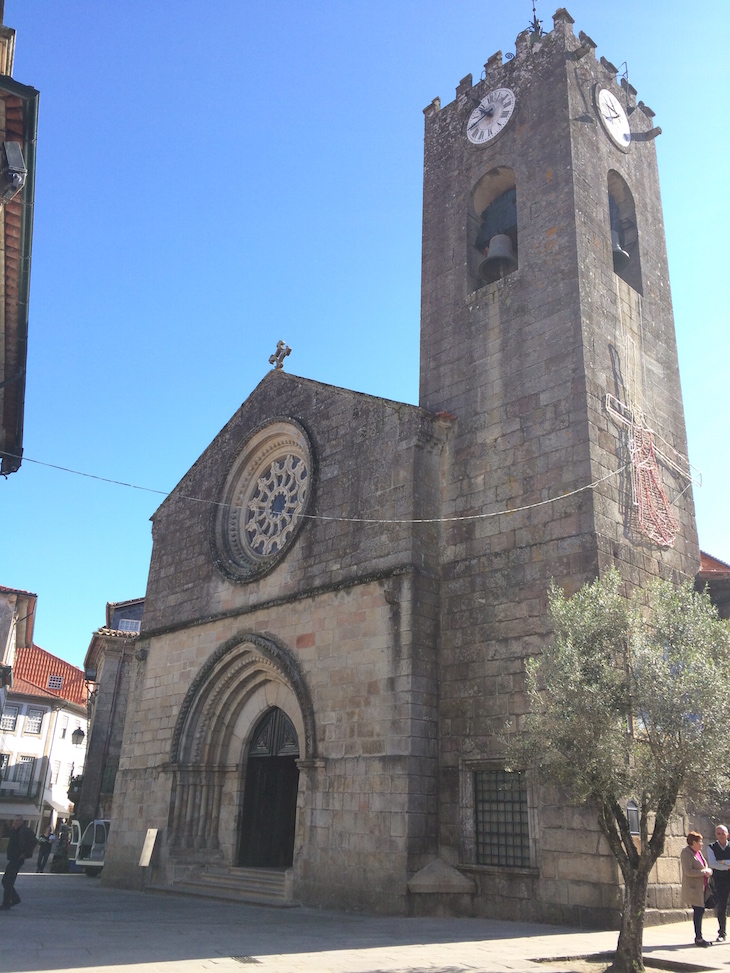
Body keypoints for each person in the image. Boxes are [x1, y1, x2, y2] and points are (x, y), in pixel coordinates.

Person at [681, 831, 714, 947]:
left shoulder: (698, 852)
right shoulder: (686, 853)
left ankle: (699, 936)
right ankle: (699, 938)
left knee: (701, 910)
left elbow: (703, 865)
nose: (702, 844)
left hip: (703, 887)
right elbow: (688, 871)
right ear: (693, 842)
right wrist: (703, 872)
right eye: (700, 842)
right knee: (699, 911)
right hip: (694, 889)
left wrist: (707, 871)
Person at [1, 815, 37, 909]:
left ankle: (7, 903)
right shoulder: (14, 830)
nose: (16, 822)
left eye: (18, 820)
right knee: (5, 880)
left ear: (22, 821)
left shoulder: (25, 831)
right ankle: (13, 899)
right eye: (15, 820)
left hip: (18, 858)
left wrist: (25, 854)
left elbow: (33, 841)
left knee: (8, 881)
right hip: (12, 858)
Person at [707, 824, 730, 942]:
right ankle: (722, 933)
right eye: (719, 833)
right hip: (720, 880)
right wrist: (728, 865)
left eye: (723, 833)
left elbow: (718, 863)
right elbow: (713, 864)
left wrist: (722, 862)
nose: (721, 836)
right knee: (722, 906)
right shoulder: (711, 847)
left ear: (728, 835)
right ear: (716, 835)